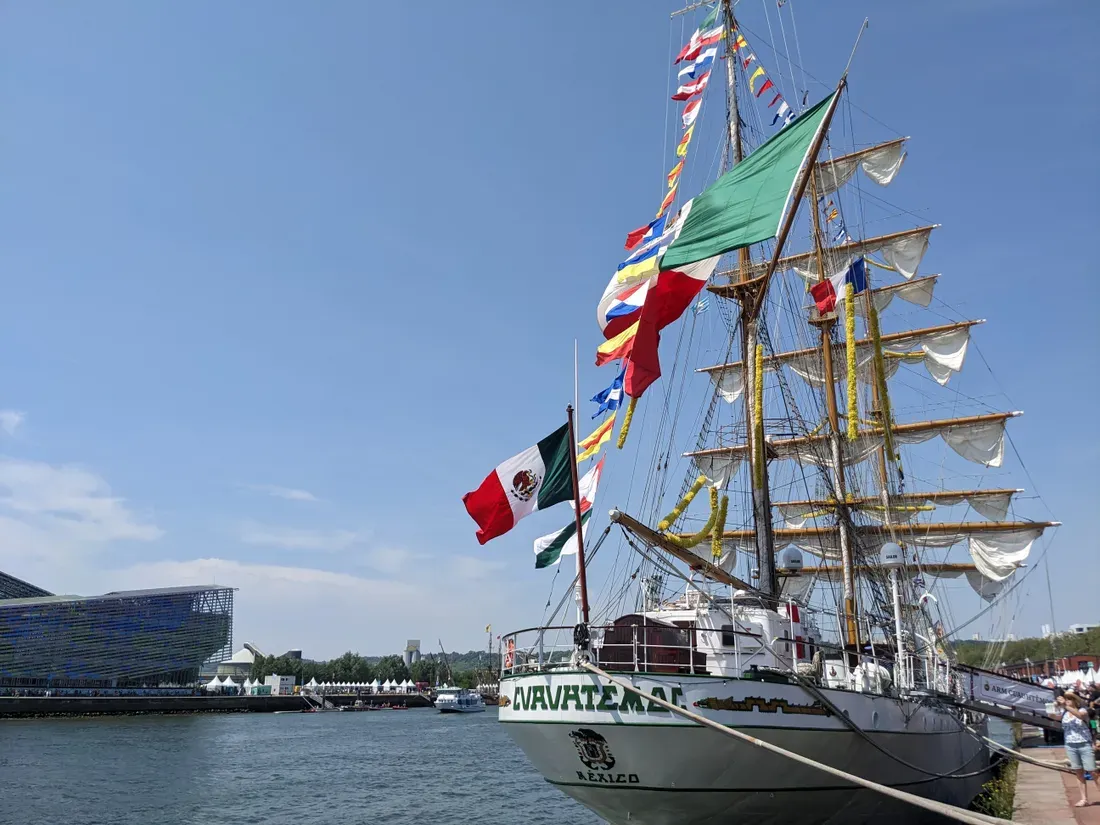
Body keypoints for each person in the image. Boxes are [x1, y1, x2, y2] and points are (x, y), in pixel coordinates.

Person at [1053, 691, 1100, 807]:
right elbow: (1053, 717)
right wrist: (1055, 707)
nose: (1067, 701)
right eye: (1065, 699)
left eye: (1069, 699)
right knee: (1078, 772)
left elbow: (1079, 716)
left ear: (1075, 700)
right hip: (1070, 744)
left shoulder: (1083, 710)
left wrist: (1066, 706)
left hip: (1084, 743)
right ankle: (1084, 799)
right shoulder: (1065, 712)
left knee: (1093, 771)